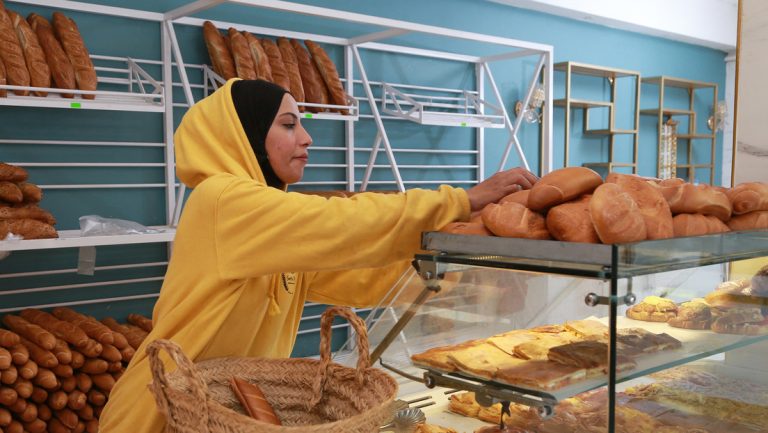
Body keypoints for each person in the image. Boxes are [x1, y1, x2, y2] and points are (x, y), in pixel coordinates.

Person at [98, 79, 539, 432]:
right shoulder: (221, 200)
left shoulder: (271, 227)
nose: (307, 138)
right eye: (289, 125)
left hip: (229, 415)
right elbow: (343, 222)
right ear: (245, 135)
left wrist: (464, 273)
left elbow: (358, 276)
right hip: (162, 414)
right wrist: (459, 201)